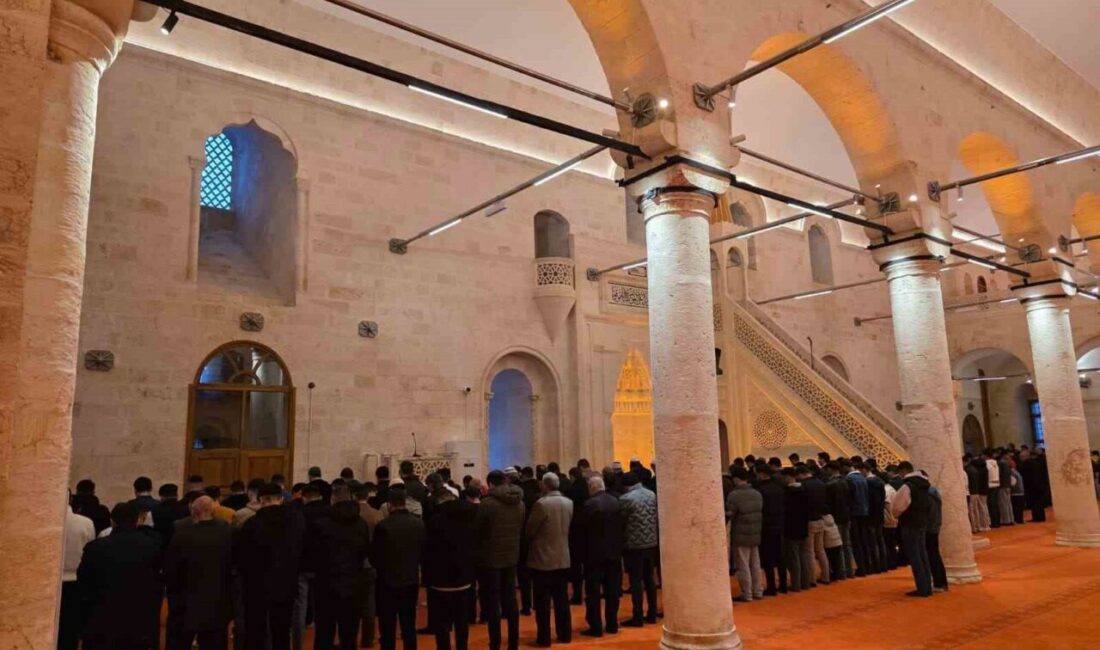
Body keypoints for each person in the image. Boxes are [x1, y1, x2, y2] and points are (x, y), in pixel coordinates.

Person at [77, 502, 163, 650]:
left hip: (102, 619)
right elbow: (158, 582)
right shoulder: (153, 546)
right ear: (137, 520)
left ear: (112, 521)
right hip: (139, 619)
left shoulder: (96, 548)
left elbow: (84, 582)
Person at [234, 483, 306, 650]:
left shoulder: (251, 524)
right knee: (281, 630)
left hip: (256, 584)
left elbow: (241, 557)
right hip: (286, 582)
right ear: (281, 499)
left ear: (260, 500)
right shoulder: (297, 521)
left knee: (255, 630)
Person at [165, 496, 234, 650]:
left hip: (186, 603)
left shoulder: (182, 535)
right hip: (217, 603)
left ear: (194, 513)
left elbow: (171, 570)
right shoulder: (227, 532)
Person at [424, 477, 478, 650]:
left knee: (442, 622)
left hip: (440, 580)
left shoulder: (434, 523)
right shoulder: (469, 518)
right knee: (462, 621)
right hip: (464, 577)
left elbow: (428, 552)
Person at [313, 487, 370, 650]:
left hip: (326, 584)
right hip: (354, 583)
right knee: (349, 634)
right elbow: (364, 551)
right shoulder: (361, 524)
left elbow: (314, 554)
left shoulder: (321, 524)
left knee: (324, 632)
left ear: (332, 500)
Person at [474, 470, 525, 650]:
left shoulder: (487, 505)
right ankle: (513, 643)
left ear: (491, 484)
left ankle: (495, 643)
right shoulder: (520, 503)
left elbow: (477, 531)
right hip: (511, 556)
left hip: (490, 559)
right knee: (511, 601)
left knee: (493, 602)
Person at [372, 486, 425, 650]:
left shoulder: (383, 526)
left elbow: (375, 557)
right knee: (408, 624)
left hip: (387, 582)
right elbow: (423, 551)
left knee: (387, 627)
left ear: (389, 504)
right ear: (405, 503)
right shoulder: (418, 524)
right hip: (410, 579)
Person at [525, 472, 573, 647]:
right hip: (563, 557)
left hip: (543, 559)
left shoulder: (541, 504)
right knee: (562, 600)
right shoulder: (569, 503)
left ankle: (544, 638)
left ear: (545, 485)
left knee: (542, 603)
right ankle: (565, 634)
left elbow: (530, 531)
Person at [578, 475, 623, 637]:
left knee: (593, 594)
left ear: (591, 488)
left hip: (594, 555)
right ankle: (612, 624)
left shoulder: (589, 504)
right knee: (612, 592)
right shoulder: (615, 501)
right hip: (614, 553)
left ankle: (595, 626)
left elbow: (582, 531)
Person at [294, 483, 331, 650]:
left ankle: (297, 645)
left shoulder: (299, 513)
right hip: (324, 565)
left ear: (305, 496)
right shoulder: (330, 512)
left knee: (300, 608)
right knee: (323, 608)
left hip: (302, 565)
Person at [619, 471, 658, 624]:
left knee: (636, 581)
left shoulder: (626, 499)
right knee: (650, 579)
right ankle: (653, 613)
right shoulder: (651, 494)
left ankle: (638, 616)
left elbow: (621, 522)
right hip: (651, 543)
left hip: (634, 545)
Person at [891, 461, 933, 597]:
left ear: (904, 471)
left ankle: (922, 588)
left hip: (910, 523)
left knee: (915, 556)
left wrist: (896, 515)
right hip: (922, 522)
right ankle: (927, 586)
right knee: (923, 554)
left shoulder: (908, 486)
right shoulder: (925, 485)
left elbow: (897, 507)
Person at [59, 495, 96, 650]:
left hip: (49, 582)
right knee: (70, 628)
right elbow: (91, 551)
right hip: (76, 580)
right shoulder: (85, 523)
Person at [727, 467, 763, 602]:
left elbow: (730, 514)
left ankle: (747, 593)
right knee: (755, 564)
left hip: (740, 534)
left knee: (743, 565)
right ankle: (758, 590)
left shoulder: (734, 496)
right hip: (755, 532)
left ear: (736, 479)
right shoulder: (757, 493)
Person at [353, 484, 382, 648]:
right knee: (369, 602)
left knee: (351, 602)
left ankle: (349, 636)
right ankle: (368, 637)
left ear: (354, 496)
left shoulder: (351, 514)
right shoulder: (377, 514)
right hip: (371, 563)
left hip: (353, 562)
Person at [755, 464, 787, 594]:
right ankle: (783, 585)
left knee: (767, 558)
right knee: (780, 557)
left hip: (766, 526)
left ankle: (772, 587)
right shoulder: (779, 488)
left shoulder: (760, 490)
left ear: (762, 474)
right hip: (780, 524)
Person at [799, 464, 830, 586]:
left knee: (809, 551)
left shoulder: (805, 485)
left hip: (810, 520)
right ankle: (826, 576)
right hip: (820, 519)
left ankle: (811, 579)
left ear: (801, 474)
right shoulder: (820, 483)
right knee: (821, 550)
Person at [779, 468, 810, 592]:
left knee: (793, 557)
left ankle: (796, 584)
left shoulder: (786, 493)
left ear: (788, 477)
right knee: (803, 555)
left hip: (791, 528)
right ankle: (805, 582)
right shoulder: (804, 490)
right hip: (803, 526)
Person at [823, 463, 852, 580]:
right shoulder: (847, 482)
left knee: (838, 545)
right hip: (847, 516)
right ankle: (849, 570)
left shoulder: (830, 485)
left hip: (836, 518)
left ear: (830, 469)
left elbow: (830, 503)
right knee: (847, 544)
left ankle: (841, 571)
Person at [845, 462, 871, 577]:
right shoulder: (863, 478)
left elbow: (850, 499)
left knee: (856, 543)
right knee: (864, 541)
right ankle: (867, 566)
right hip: (865, 512)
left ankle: (861, 568)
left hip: (854, 514)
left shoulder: (849, 479)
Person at [862, 464, 887, 574]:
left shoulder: (868, 482)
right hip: (879, 514)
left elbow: (867, 501)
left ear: (864, 469)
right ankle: (883, 565)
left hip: (871, 516)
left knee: (872, 542)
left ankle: (876, 566)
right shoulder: (880, 481)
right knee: (880, 541)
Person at [926, 480, 948, 593]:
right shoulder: (934, 492)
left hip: (929, 528)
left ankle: (938, 583)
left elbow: (928, 513)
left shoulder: (927, 494)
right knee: (935, 555)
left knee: (932, 556)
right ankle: (941, 582)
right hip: (935, 526)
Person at [1010, 458, 1027, 525]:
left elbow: (1013, 483)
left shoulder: (1012, 472)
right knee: (1020, 508)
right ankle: (1020, 520)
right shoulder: (1017, 472)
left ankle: (1017, 520)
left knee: (1016, 508)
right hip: (1021, 491)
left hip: (1015, 492)